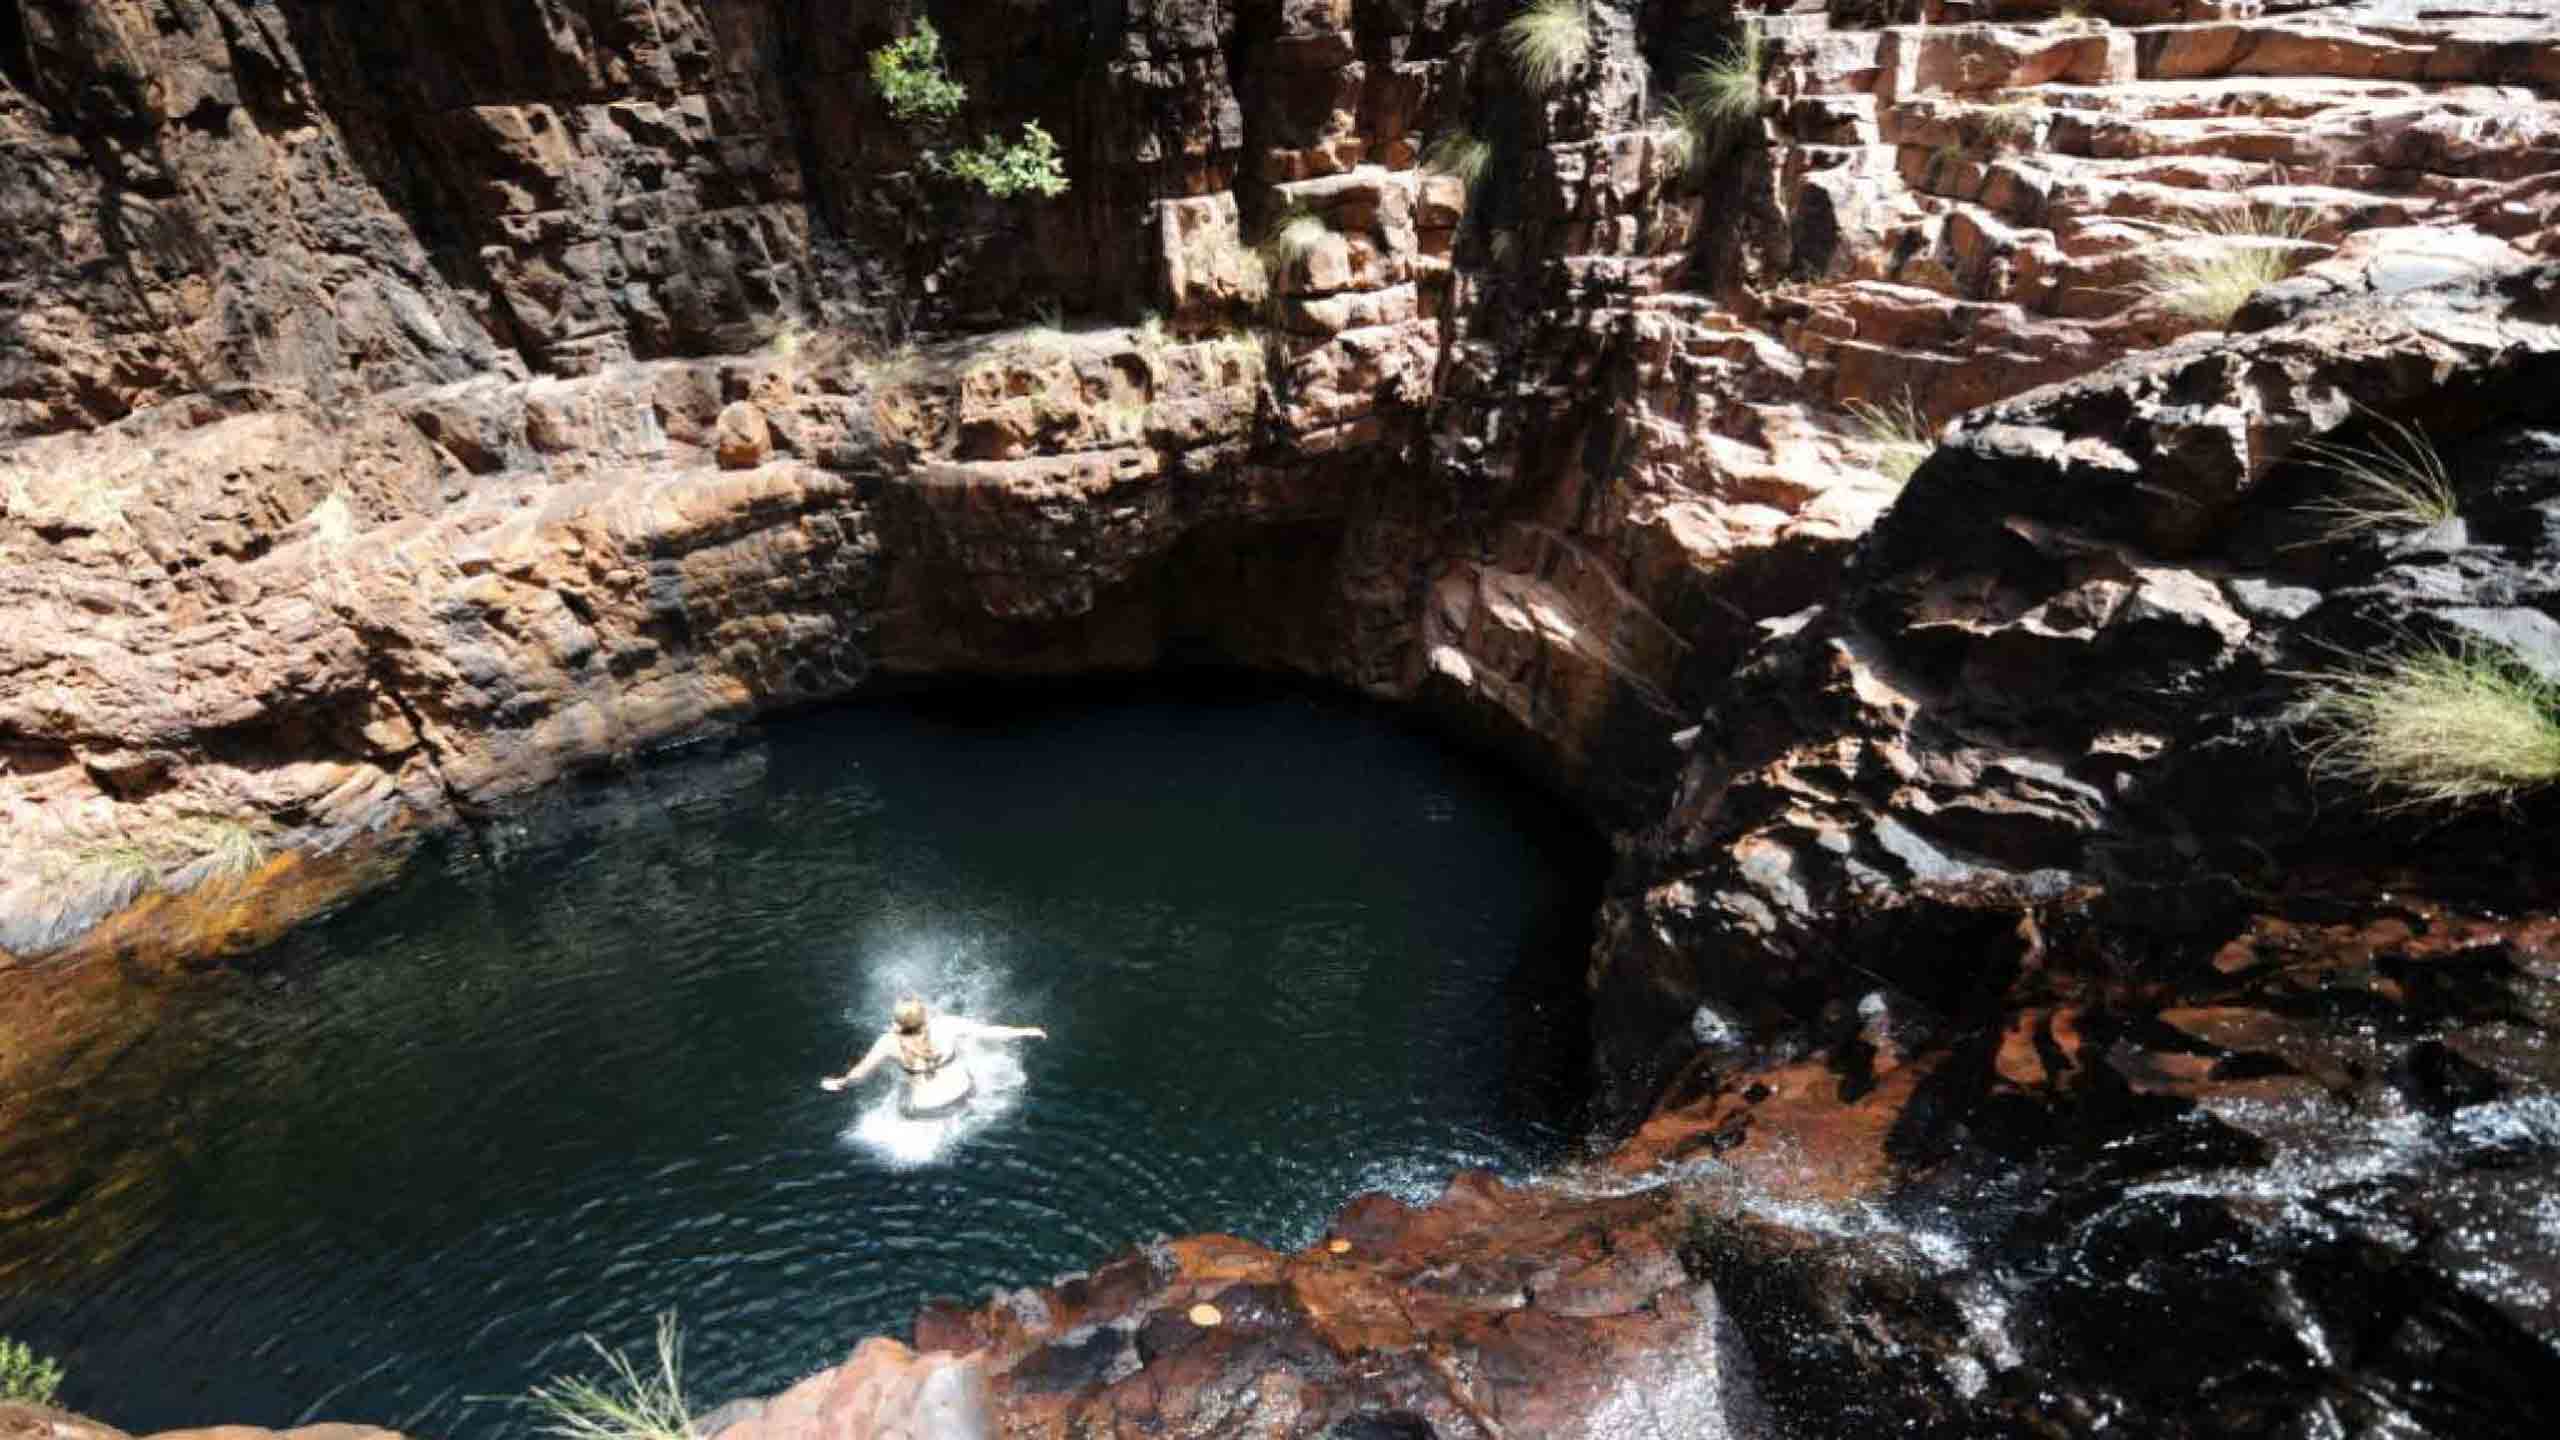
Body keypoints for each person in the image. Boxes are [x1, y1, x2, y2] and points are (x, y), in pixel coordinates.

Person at [819, 996, 1047, 1117]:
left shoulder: (887, 1041)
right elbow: (990, 1032)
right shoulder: (947, 1024)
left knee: (904, 1087)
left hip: (923, 1110)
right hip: (963, 1096)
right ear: (925, 1015)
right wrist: (1025, 1031)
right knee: (967, 1050)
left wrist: (840, 1083)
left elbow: (859, 1075)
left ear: (897, 1022)